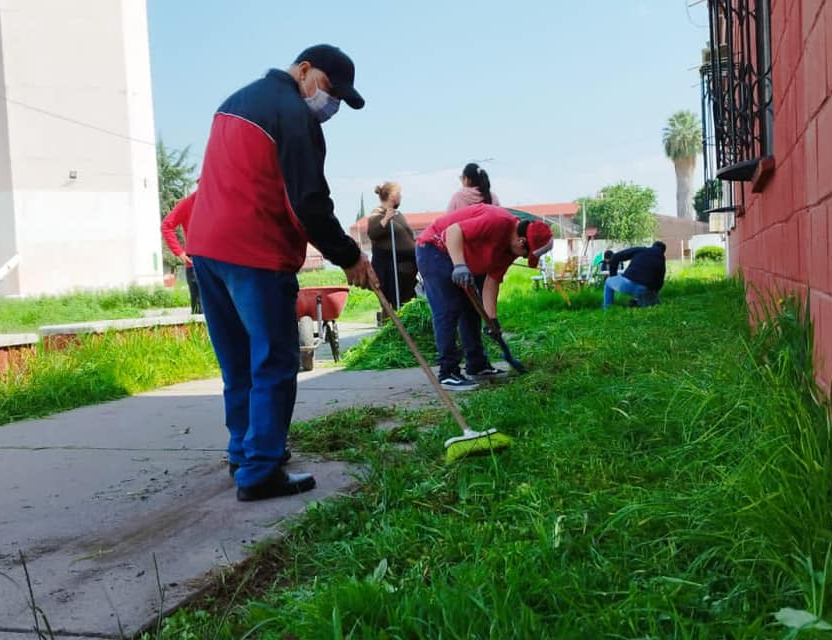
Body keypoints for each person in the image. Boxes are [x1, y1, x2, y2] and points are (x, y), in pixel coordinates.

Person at [175, 44, 371, 502]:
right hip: (254, 250)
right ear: (304, 70)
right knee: (275, 360)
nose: (332, 104)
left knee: (238, 362)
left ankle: (244, 453)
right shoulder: (294, 114)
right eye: (330, 90)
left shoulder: (234, 102)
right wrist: (349, 257)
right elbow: (309, 203)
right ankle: (261, 470)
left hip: (206, 249)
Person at [416, 203, 553, 391]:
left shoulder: (509, 250)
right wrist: (459, 265)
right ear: (521, 241)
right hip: (434, 248)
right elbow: (453, 231)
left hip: (456, 257)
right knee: (448, 308)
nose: (522, 257)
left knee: (471, 310)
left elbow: (492, 281)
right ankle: (448, 373)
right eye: (526, 254)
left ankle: (477, 365)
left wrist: (492, 320)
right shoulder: (498, 222)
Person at [364, 181, 417, 312]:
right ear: (392, 196)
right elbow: (373, 233)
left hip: (406, 272)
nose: (401, 197)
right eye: (399, 194)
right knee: (393, 306)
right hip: (391, 272)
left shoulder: (396, 214)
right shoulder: (377, 214)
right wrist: (385, 219)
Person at [160, 195, 203, 314]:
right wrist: (179, 252)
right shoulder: (189, 202)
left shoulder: (223, 200)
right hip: (196, 265)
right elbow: (166, 226)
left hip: (223, 265)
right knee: (200, 313)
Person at [603, 241, 667, 309]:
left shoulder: (641, 250)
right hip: (645, 289)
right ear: (663, 251)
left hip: (627, 283)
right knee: (653, 306)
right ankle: (639, 303)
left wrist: (613, 275)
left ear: (652, 246)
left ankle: (607, 309)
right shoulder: (661, 259)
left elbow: (615, 256)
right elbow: (660, 283)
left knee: (608, 282)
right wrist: (652, 294)